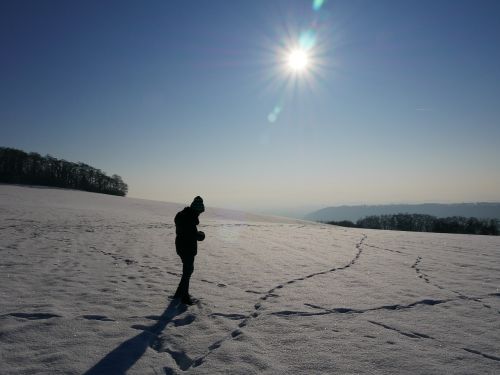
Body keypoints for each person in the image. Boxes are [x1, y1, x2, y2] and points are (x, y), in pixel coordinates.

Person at [173, 196, 205, 305]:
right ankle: (184, 297)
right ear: (197, 210)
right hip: (187, 248)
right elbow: (192, 235)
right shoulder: (190, 219)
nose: (200, 214)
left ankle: (179, 293)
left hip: (181, 246)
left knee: (187, 271)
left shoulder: (183, 215)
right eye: (200, 212)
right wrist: (201, 235)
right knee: (187, 271)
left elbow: (186, 232)